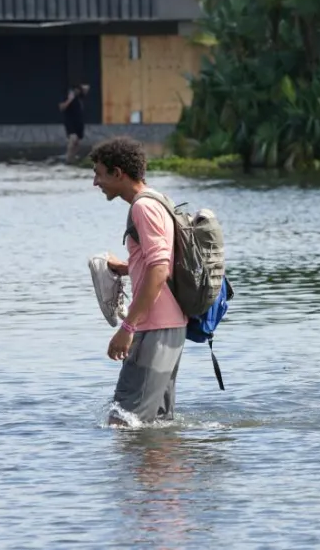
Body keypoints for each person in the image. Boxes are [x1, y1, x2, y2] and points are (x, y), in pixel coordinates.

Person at [90, 136, 188, 426]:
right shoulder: (156, 200)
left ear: (118, 173)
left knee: (122, 422)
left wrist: (127, 327)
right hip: (169, 325)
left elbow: (160, 269)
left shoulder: (142, 208)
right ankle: (164, 471)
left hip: (154, 328)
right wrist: (123, 267)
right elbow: (154, 263)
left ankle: (141, 473)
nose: (96, 182)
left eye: (98, 173)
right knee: (157, 423)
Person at [59, 83, 89, 163]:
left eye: (78, 90)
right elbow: (62, 108)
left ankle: (73, 158)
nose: (76, 92)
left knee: (77, 142)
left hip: (79, 122)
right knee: (73, 138)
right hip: (70, 121)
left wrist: (82, 88)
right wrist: (69, 99)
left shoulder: (79, 97)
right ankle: (68, 159)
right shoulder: (66, 97)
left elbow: (87, 88)